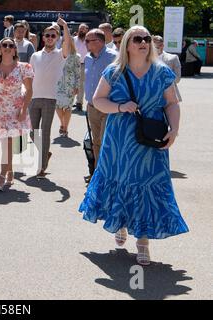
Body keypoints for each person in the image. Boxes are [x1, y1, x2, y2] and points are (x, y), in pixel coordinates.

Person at [79, 25, 188, 266]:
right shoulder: (114, 71)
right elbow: (98, 100)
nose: (143, 42)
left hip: (151, 139)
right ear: (127, 44)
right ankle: (120, 223)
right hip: (119, 141)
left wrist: (174, 129)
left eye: (146, 38)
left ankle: (143, 243)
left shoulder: (161, 72)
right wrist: (120, 106)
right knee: (123, 182)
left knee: (146, 185)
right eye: (137, 38)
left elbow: (171, 103)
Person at [0, 37, 33, 190]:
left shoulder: (23, 67)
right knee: (5, 144)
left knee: (8, 143)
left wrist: (24, 110)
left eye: (10, 45)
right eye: (4, 45)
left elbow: (29, 91)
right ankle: (10, 172)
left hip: (15, 110)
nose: (7, 47)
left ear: (14, 49)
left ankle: (1, 176)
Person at [29, 18, 70, 179]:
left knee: (45, 132)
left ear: (57, 38)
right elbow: (29, 77)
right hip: (34, 98)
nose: (50, 38)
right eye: (47, 35)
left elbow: (68, 43)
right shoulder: (35, 55)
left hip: (49, 99)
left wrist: (64, 26)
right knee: (32, 132)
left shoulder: (61, 54)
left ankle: (41, 167)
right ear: (43, 37)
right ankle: (45, 153)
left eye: (53, 36)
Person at [84, 29, 117, 168]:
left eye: (87, 41)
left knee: (106, 141)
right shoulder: (87, 57)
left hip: (108, 106)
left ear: (99, 42)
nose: (85, 43)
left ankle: (106, 174)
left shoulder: (114, 57)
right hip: (92, 106)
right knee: (95, 141)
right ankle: (97, 172)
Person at [55, 26, 81, 138]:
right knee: (58, 106)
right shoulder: (58, 53)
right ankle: (62, 123)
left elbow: (78, 72)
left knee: (68, 107)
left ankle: (65, 127)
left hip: (70, 84)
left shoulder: (76, 56)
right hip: (58, 83)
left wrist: (77, 86)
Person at [153, 35, 182, 101]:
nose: (154, 49)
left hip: (169, 95)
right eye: (152, 47)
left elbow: (177, 78)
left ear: (162, 46)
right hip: (151, 96)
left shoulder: (173, 58)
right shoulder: (147, 59)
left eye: (156, 47)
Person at [73, 23, 89, 111]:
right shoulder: (74, 39)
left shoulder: (89, 40)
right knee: (71, 82)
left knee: (80, 84)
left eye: (83, 28)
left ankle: (79, 102)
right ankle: (71, 101)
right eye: (80, 28)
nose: (81, 30)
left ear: (87, 30)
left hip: (84, 64)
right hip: (74, 64)